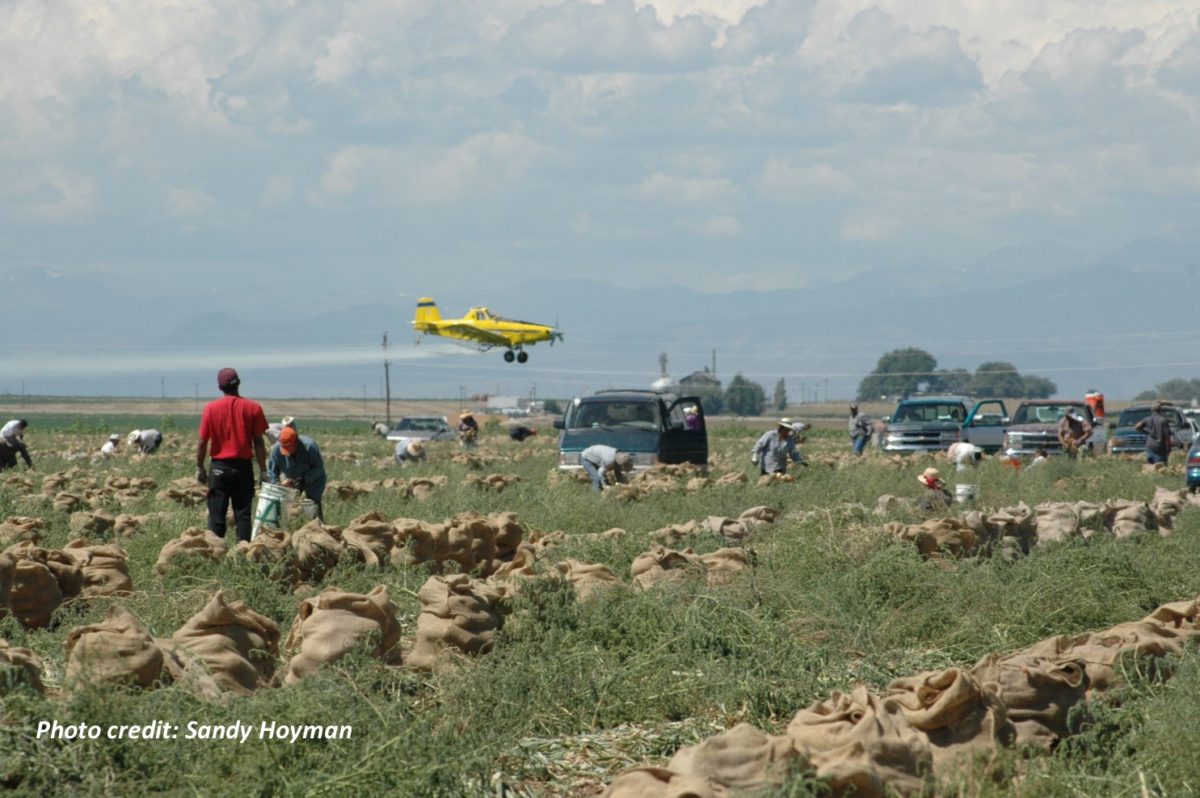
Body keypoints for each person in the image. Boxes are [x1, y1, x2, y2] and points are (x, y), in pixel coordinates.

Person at [196, 368, 268, 542]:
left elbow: (202, 442)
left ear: (220, 387)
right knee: (243, 515)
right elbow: (258, 442)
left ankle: (215, 552)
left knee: (216, 516)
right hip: (243, 468)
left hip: (219, 468)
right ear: (239, 383)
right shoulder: (253, 408)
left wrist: (199, 467)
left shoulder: (210, 409)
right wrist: (264, 471)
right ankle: (243, 554)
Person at [267, 426, 327, 521]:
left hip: (314, 479)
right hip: (292, 478)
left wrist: (305, 479)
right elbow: (272, 472)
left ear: (296, 441)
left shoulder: (310, 447)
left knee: (312, 505)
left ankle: (317, 527)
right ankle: (295, 526)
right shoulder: (276, 450)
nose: (287, 451)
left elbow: (318, 467)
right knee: (291, 508)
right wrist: (277, 486)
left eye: (289, 447)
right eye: (284, 447)